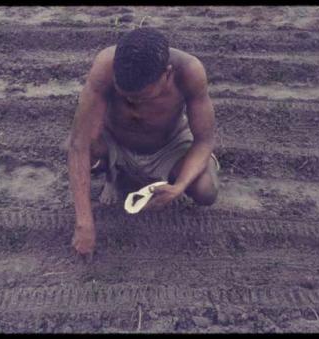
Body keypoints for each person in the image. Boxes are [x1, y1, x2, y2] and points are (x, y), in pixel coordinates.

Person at [68, 27, 220, 255]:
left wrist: (179, 187)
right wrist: (84, 223)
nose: (131, 101)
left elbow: (204, 141)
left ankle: (193, 168)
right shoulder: (105, 67)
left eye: (140, 96)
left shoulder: (189, 72)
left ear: (166, 74)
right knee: (82, 144)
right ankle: (116, 174)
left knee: (206, 190)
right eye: (125, 94)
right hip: (116, 142)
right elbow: (78, 144)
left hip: (168, 145)